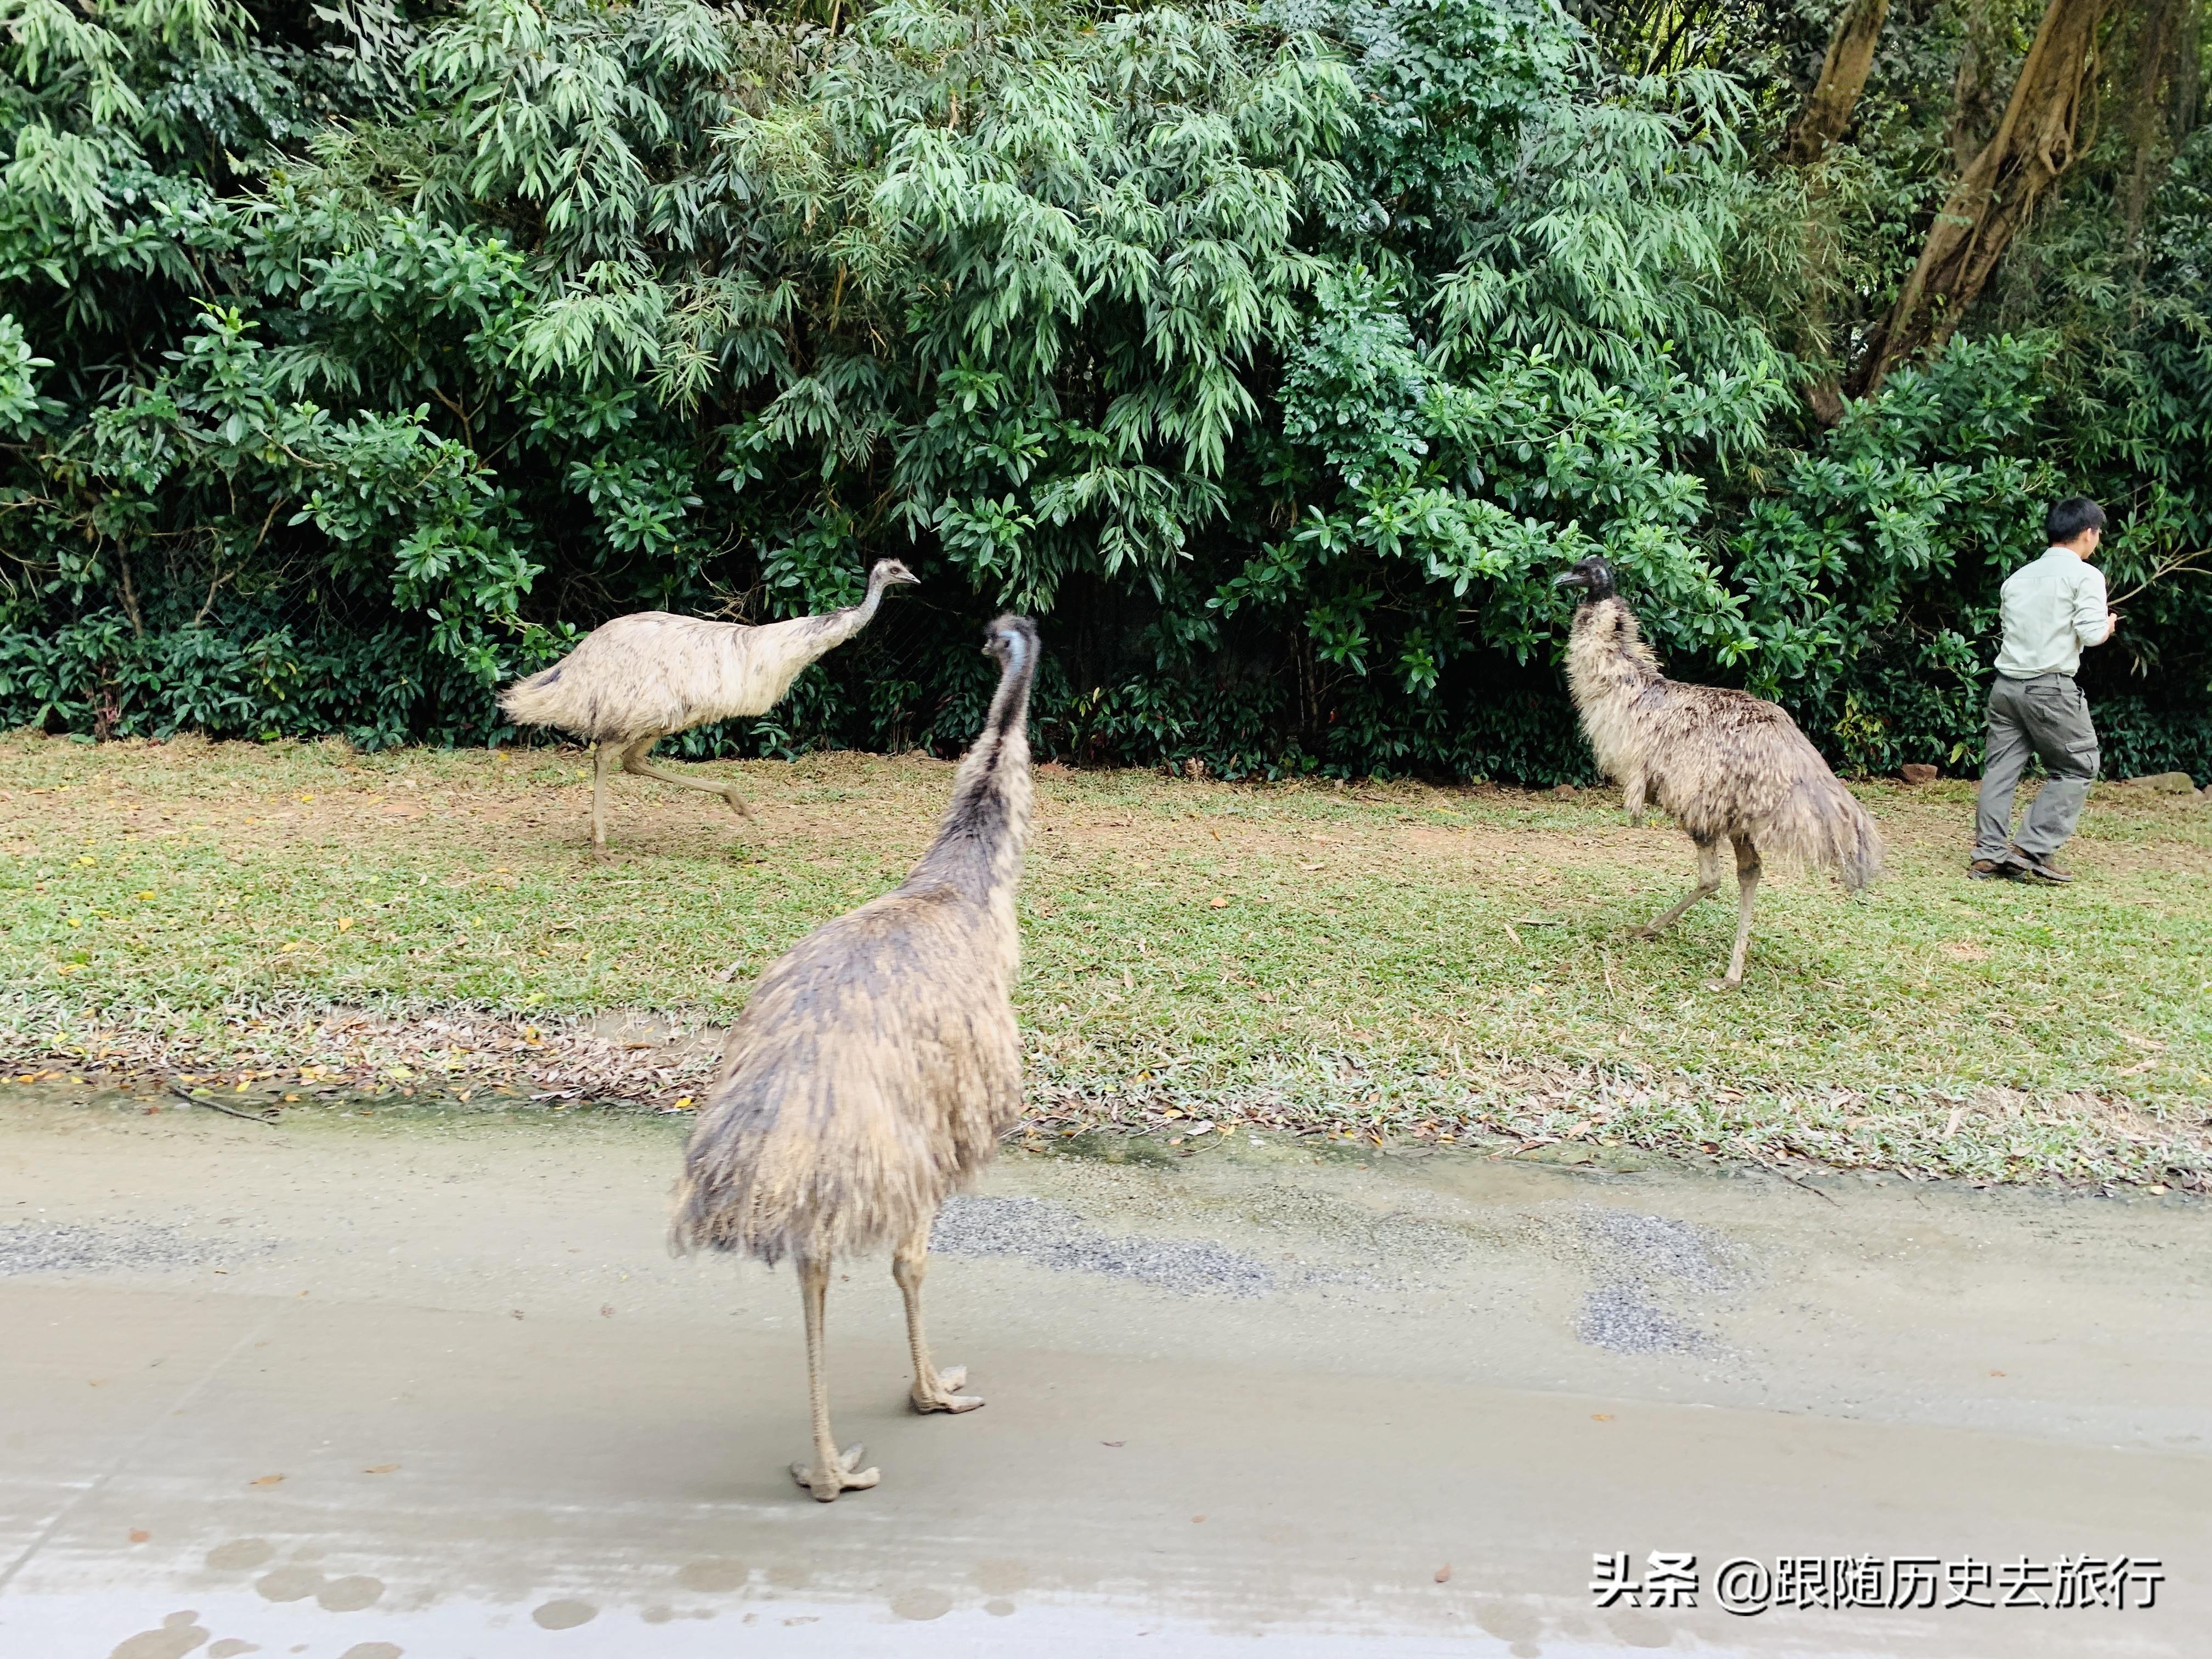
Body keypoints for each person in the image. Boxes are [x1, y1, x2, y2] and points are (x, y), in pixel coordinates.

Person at [1970, 496, 2119, 883]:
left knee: (2001, 771)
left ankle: (1987, 855)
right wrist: (2107, 627)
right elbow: (2089, 633)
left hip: (2006, 688)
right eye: (2097, 534)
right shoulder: (2086, 576)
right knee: (2078, 766)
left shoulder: (2017, 578)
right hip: (2049, 688)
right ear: (2088, 534)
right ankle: (2032, 848)